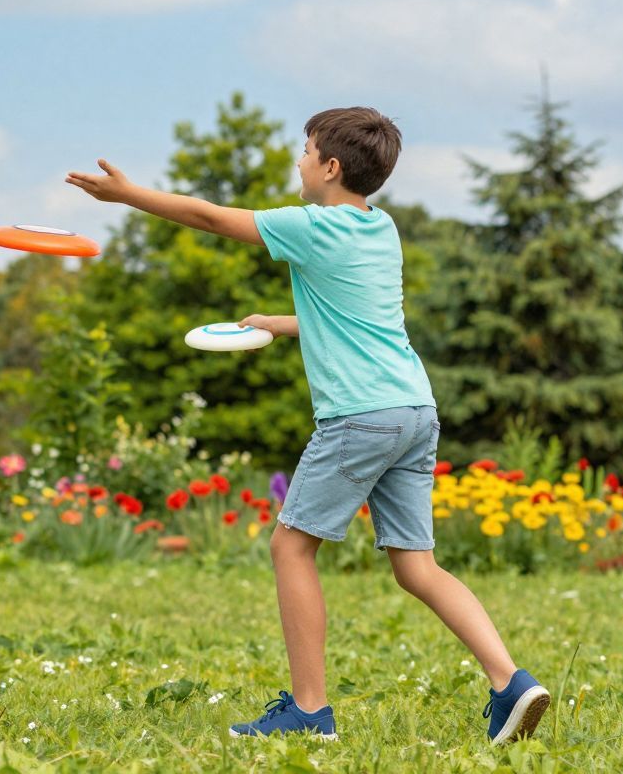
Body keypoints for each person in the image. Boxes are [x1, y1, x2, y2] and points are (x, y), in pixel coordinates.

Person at [68, 107, 550, 744]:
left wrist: (128, 195)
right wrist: (277, 321)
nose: (297, 161)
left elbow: (210, 217)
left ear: (330, 167)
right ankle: (509, 682)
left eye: (304, 150)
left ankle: (309, 711)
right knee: (417, 567)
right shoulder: (381, 230)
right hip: (412, 409)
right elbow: (360, 318)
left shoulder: (312, 227)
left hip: (360, 416)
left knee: (291, 547)